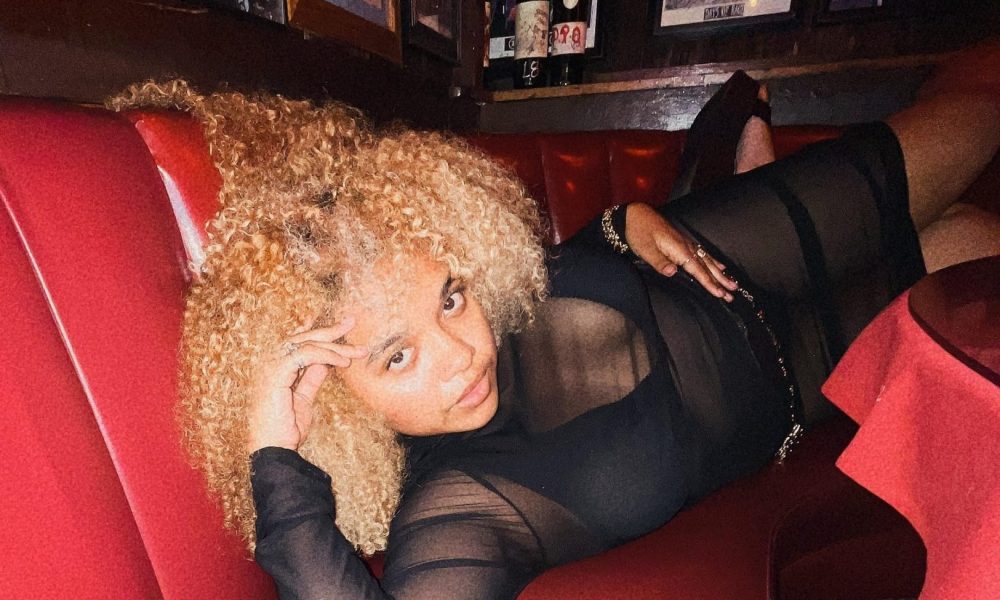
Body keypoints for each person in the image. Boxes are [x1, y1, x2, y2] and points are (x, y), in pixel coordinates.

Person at [109, 40, 1000, 600]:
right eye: (397, 356)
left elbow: (544, 270)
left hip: (734, 249)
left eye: (450, 297)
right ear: (333, 395)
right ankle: (740, 150)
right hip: (810, 365)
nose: (462, 353)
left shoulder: (497, 302)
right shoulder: (461, 512)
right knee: (971, 248)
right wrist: (275, 457)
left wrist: (617, 225)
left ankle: (746, 160)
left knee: (975, 111)